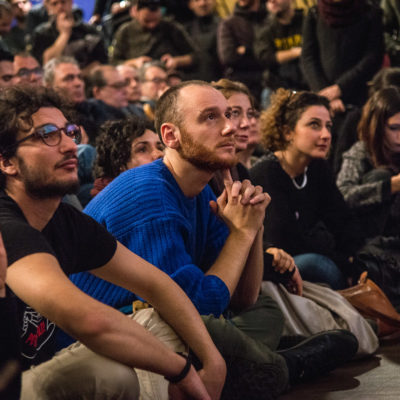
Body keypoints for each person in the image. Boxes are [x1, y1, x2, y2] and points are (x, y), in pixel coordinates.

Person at [73, 80, 358, 399]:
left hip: (165, 328)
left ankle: (254, 357)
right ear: (171, 136)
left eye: (230, 115)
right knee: (224, 334)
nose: (230, 128)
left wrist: (255, 223)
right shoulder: (150, 195)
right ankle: (280, 366)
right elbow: (199, 308)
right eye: (210, 117)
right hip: (101, 342)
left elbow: (242, 297)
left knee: (263, 307)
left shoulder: (197, 190)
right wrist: (241, 234)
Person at [0, 84, 226, 400]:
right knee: (114, 369)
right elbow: (88, 320)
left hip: (27, 379)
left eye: (69, 132)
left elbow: (158, 284)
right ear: (7, 162)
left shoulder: (63, 220)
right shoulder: (6, 225)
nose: (68, 146)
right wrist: (181, 369)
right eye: (48, 134)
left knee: (147, 343)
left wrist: (213, 359)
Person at [250, 88, 363, 289]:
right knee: (317, 264)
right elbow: (285, 241)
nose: (326, 135)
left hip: (312, 255)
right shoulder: (267, 173)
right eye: (314, 125)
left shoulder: (316, 167)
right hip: (275, 267)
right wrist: (340, 259)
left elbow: (342, 220)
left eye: (328, 126)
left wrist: (353, 257)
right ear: (287, 131)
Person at [336, 86, 400, 240]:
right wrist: (391, 186)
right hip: (368, 236)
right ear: (377, 127)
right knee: (380, 175)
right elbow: (343, 196)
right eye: (394, 128)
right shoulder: (362, 151)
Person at [301, 0, 384, 112]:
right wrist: (324, 93)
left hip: (359, 97)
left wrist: (340, 88)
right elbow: (308, 57)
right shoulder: (315, 13)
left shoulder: (370, 13)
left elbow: (373, 56)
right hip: (321, 98)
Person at [111, 0, 198, 78]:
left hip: (169, 78)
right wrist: (134, 63)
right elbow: (114, 63)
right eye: (146, 21)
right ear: (135, 12)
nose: (152, 25)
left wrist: (176, 61)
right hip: (138, 81)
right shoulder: (125, 31)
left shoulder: (171, 27)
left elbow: (195, 56)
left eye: (156, 20)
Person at [90, 116, 164, 197]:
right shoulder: (111, 202)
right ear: (120, 164)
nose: (159, 154)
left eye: (160, 148)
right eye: (142, 149)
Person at [254, 0, 308, 107]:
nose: (272, 2)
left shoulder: (306, 21)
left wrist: (281, 55)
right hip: (276, 89)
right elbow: (265, 58)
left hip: (306, 86)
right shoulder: (264, 28)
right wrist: (295, 53)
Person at [29, 0, 107, 69]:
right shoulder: (41, 33)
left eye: (63, 2)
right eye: (55, 3)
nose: (60, 6)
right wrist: (65, 34)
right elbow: (45, 65)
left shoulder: (89, 30)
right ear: (48, 7)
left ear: (71, 2)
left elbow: (100, 64)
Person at [217, 0, 267, 99]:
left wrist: (247, 50)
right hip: (244, 88)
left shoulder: (269, 18)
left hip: (271, 83)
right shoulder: (229, 23)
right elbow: (228, 57)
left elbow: (271, 55)